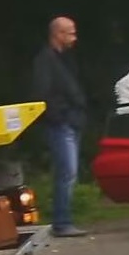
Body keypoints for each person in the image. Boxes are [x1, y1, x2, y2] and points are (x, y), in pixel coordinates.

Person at [31, 16, 88, 237]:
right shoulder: (45, 61)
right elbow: (42, 94)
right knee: (67, 172)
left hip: (72, 121)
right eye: (70, 33)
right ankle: (62, 221)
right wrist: (61, 116)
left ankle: (64, 219)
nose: (74, 37)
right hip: (61, 124)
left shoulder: (67, 60)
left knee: (69, 173)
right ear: (58, 34)